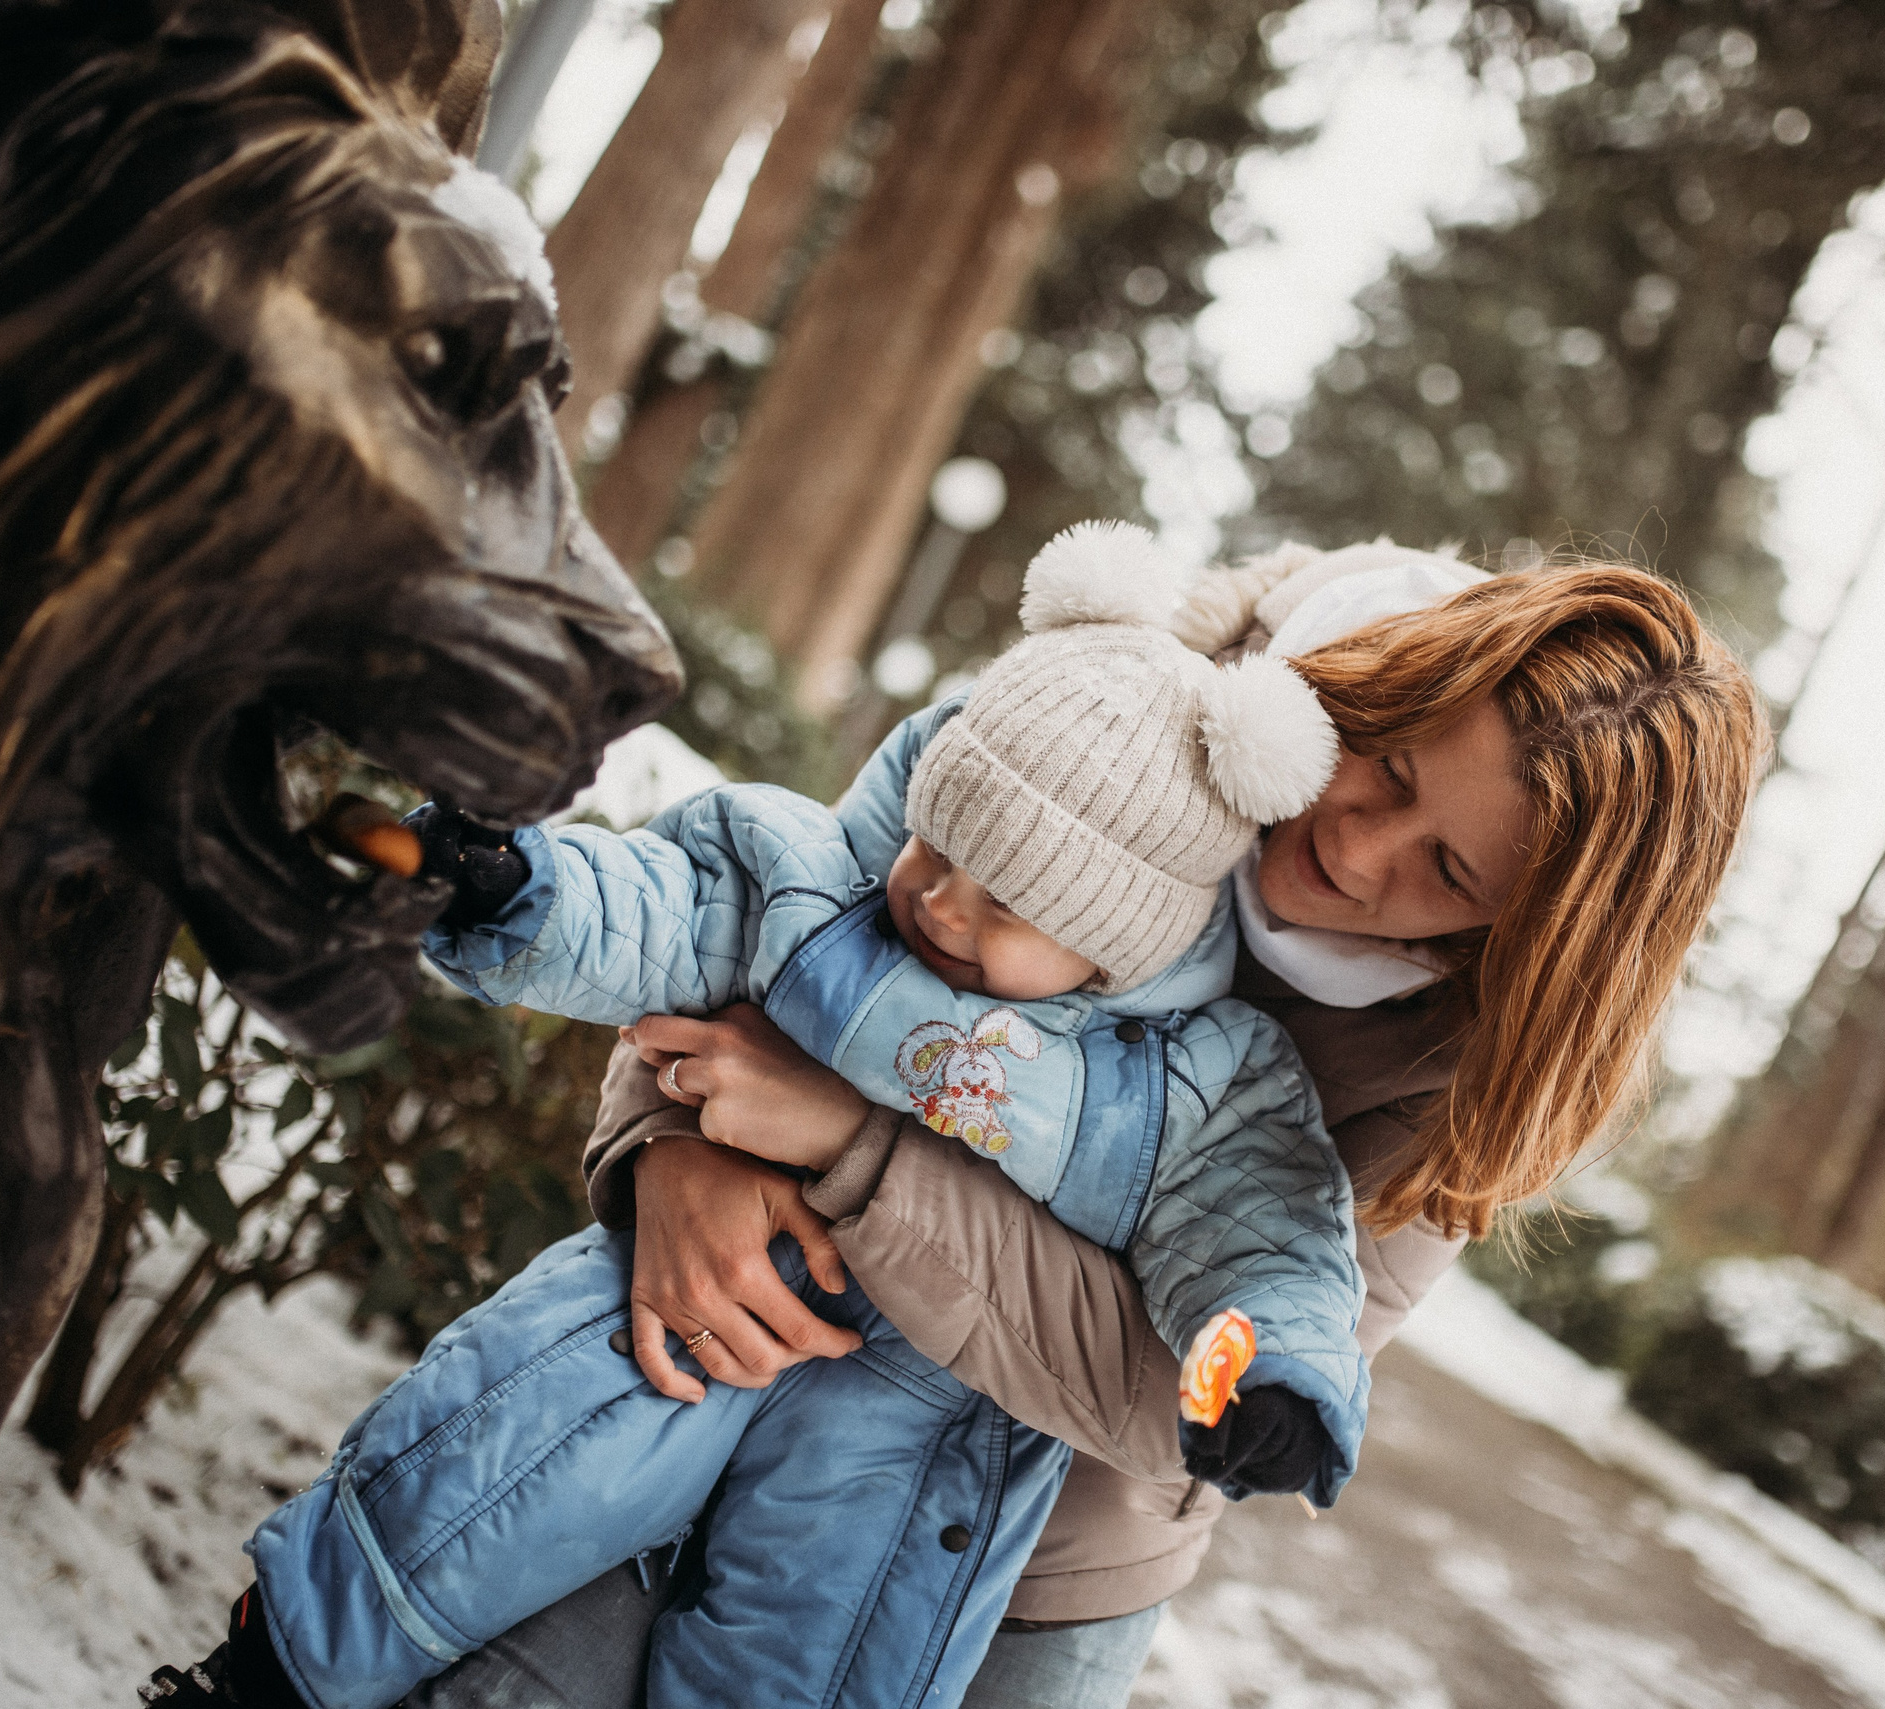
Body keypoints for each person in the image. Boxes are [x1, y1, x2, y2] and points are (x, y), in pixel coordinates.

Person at [409, 540, 1770, 1709]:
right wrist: (675, 1146)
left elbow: (1159, 1387)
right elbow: (775, 912)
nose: (1357, 852)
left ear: (1511, 934)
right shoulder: (1140, 693)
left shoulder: (1462, 1073)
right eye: (1390, 765)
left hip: (1036, 1564)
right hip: (741, 1352)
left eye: (1448, 872)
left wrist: (853, 1147)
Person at [147, 523, 1376, 1709]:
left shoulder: (1192, 1082)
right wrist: (522, 885)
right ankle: (277, 1667)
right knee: (506, 1463)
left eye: (1006, 901)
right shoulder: (824, 888)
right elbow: (667, 904)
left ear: (1121, 939)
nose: (940, 905)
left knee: (816, 1649)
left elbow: (1262, 1230)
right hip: (677, 1310)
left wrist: (1272, 1375)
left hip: (912, 1423)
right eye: (936, 848)